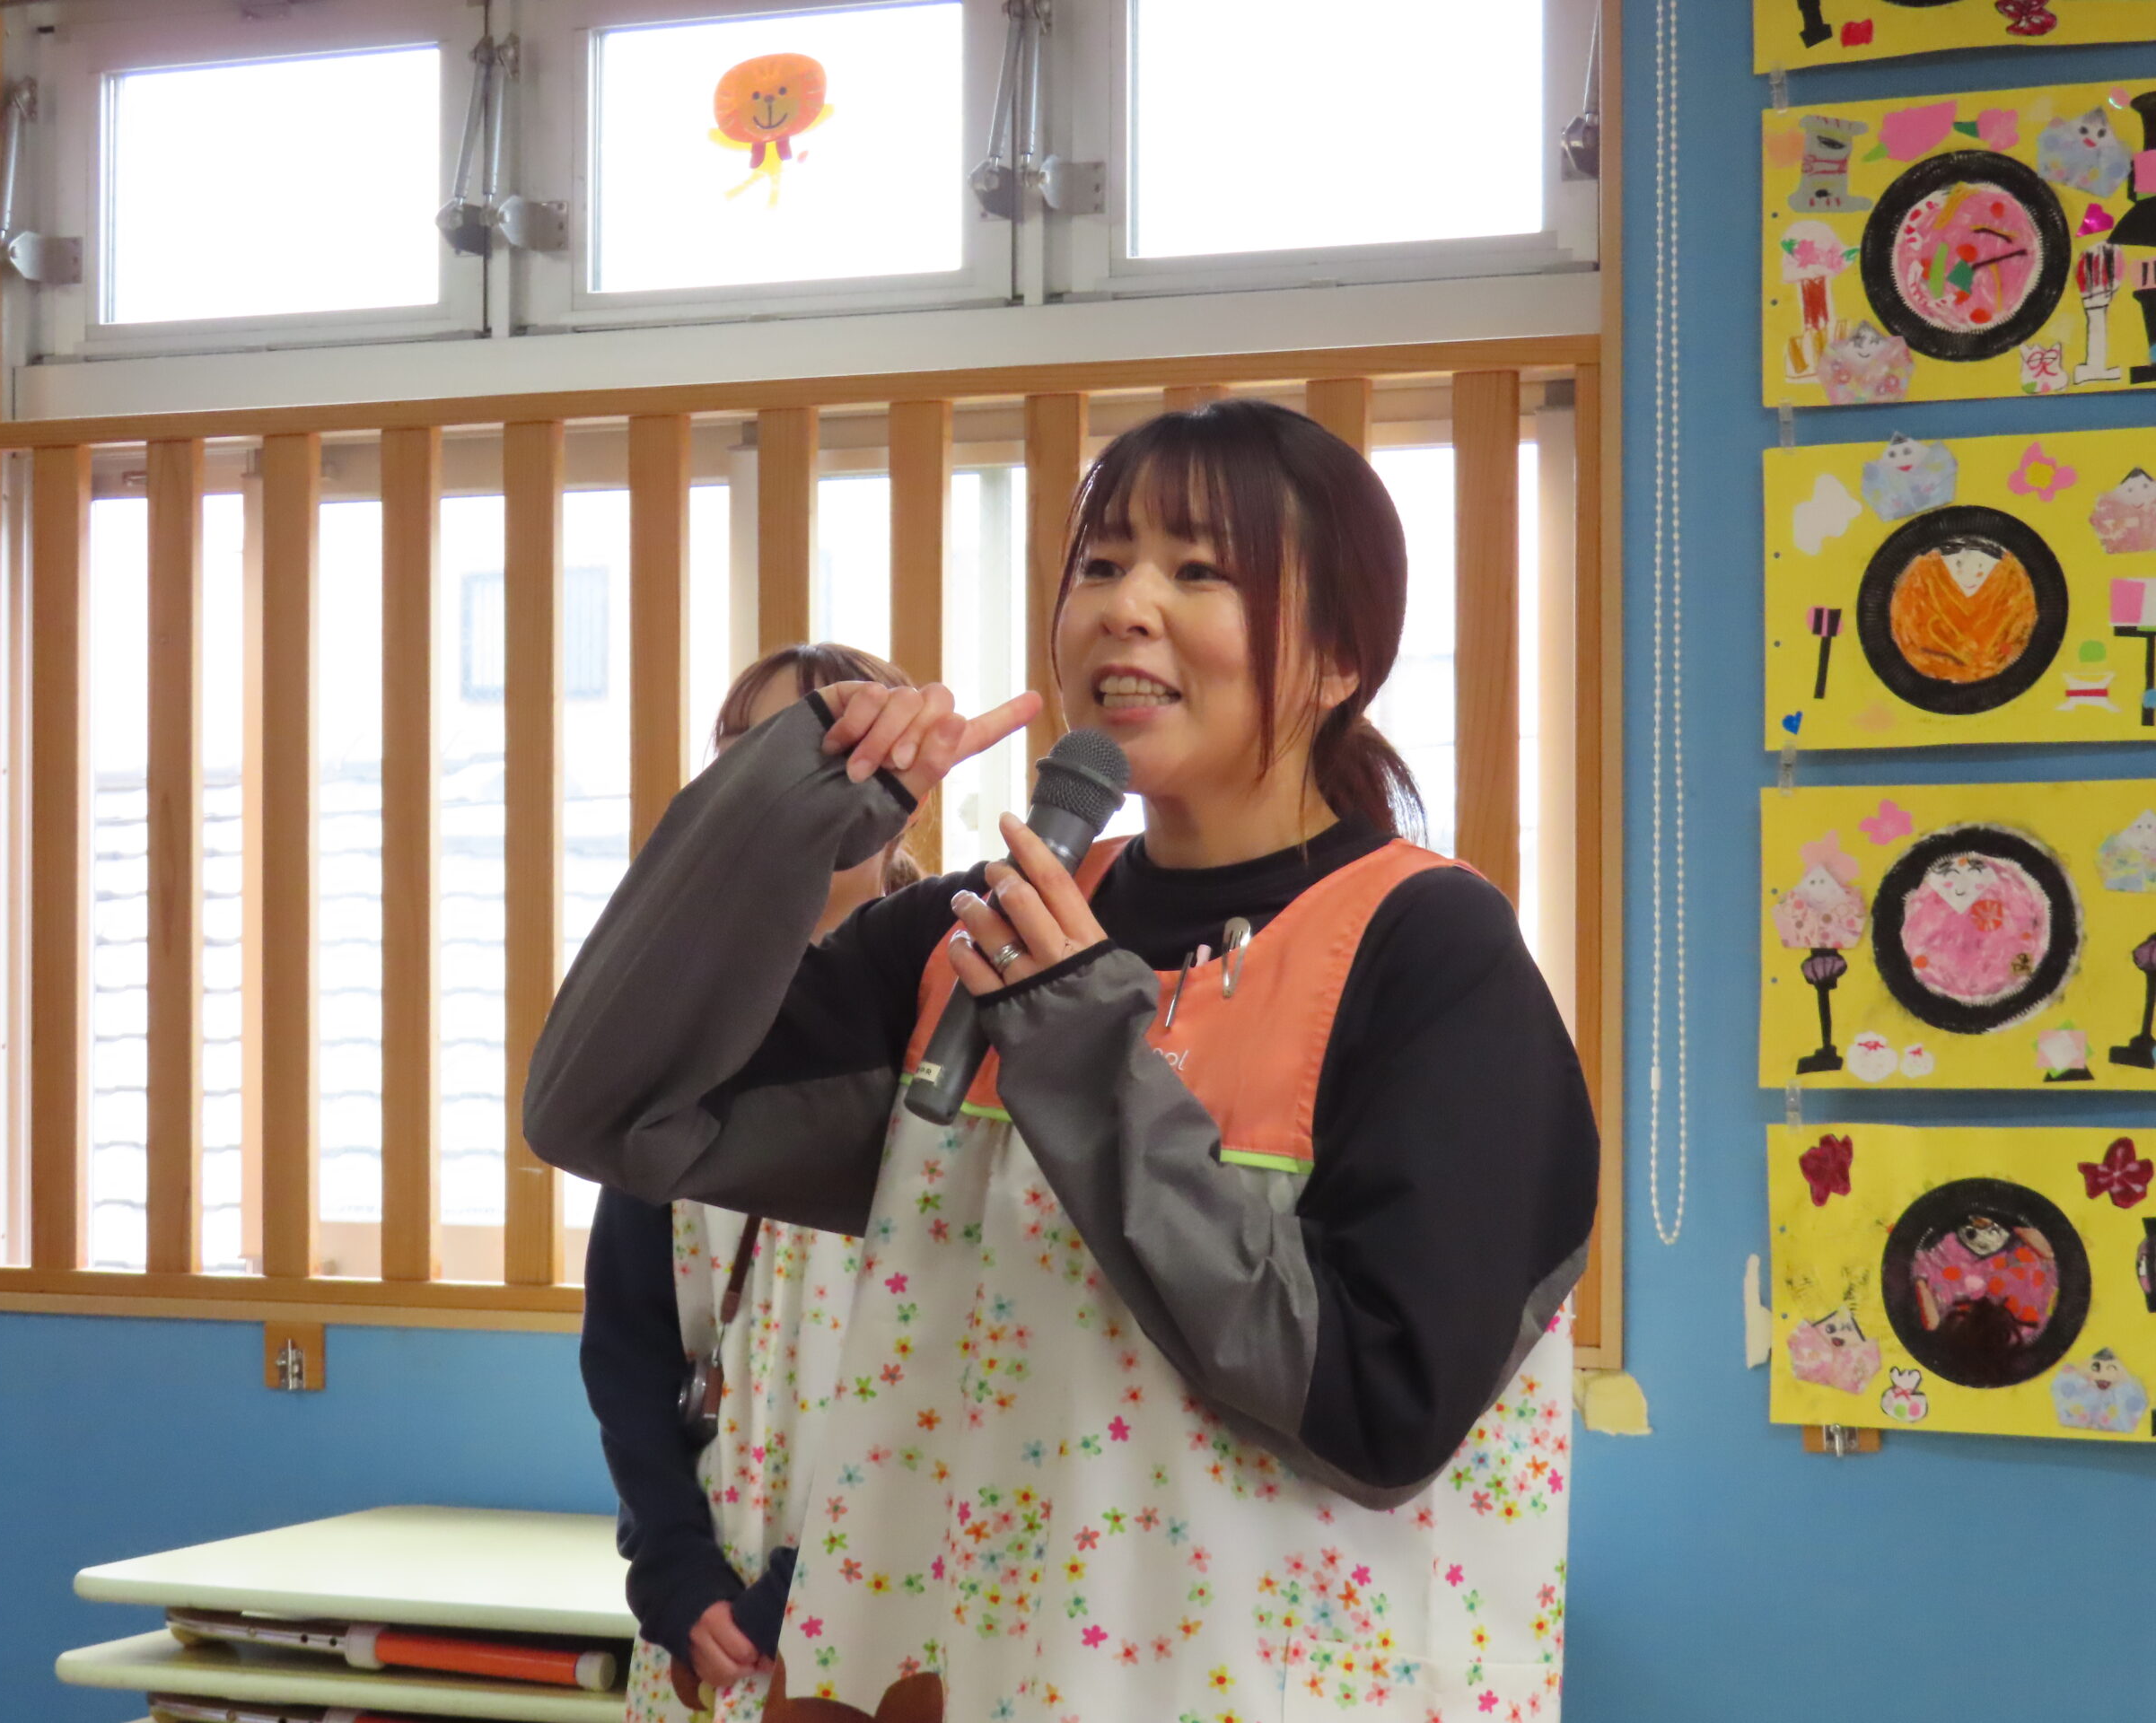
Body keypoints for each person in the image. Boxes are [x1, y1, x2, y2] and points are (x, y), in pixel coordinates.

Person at [532, 400, 1599, 1721]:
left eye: (1198, 570)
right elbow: (604, 1110)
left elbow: (1385, 1414)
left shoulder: (1429, 950)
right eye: (1102, 563)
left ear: (1338, 656)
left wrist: (1087, 1049)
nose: (1126, 607)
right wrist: (786, 805)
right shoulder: (964, 935)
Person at [579, 643, 924, 1722]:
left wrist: (806, 1582)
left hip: (889, 1592)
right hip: (705, 1613)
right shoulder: (677, 1025)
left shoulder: (949, 1007)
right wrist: (671, 1567)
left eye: (814, 755)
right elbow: (628, 1343)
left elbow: (971, 1355)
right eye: (742, 757)